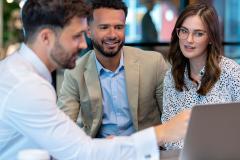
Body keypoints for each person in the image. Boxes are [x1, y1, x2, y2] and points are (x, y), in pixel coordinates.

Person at [0, 0, 190, 159]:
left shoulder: (19, 73)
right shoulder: (28, 87)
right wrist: (162, 133)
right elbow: (81, 151)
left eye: (118, 27)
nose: (83, 44)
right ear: (46, 37)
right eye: (76, 36)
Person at [58, 0, 167, 138]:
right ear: (89, 31)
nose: (112, 35)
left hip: (146, 150)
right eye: (104, 27)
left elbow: (172, 116)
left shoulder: (153, 63)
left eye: (118, 27)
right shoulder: (75, 72)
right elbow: (63, 125)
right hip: (100, 151)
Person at [162, 2, 240, 150]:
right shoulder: (172, 76)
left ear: (210, 38)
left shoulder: (232, 72)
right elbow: (168, 132)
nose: (189, 40)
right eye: (184, 31)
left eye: (198, 33)